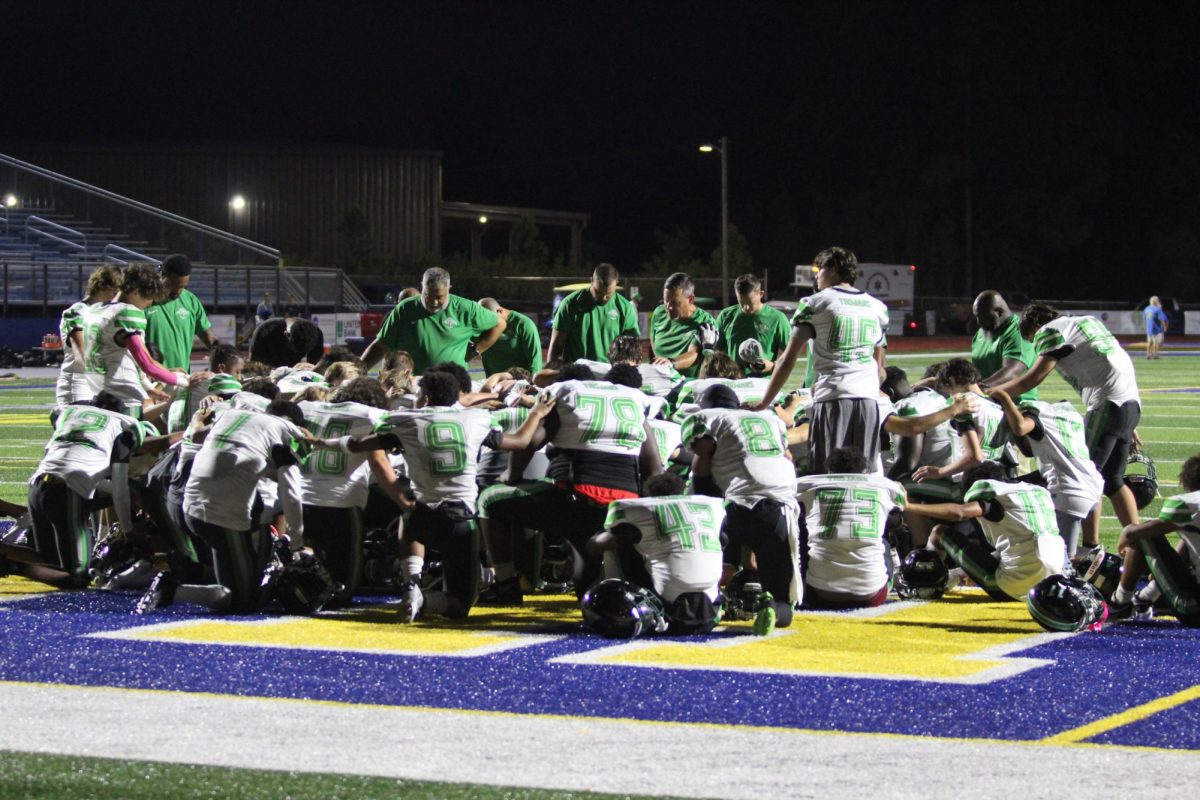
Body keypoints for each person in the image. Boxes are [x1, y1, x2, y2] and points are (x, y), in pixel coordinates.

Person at [334, 369, 556, 621]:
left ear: (426, 398)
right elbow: (520, 442)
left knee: (409, 509)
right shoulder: (475, 420)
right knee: (461, 604)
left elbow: (358, 445)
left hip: (422, 517)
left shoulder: (405, 419)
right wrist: (536, 412)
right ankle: (425, 601)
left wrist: (329, 443)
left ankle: (411, 580)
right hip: (461, 520)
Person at [478, 363, 662, 604]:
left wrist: (511, 475)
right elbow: (654, 465)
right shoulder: (633, 398)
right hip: (623, 502)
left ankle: (507, 584)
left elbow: (530, 443)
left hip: (577, 498)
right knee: (586, 581)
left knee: (491, 500)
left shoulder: (565, 393)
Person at [138, 399, 315, 615]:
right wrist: (297, 545)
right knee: (244, 601)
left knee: (243, 572)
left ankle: (195, 576)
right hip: (224, 514)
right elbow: (292, 494)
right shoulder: (287, 432)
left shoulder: (233, 415)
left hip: (189, 503)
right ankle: (173, 590)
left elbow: (198, 436)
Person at [992, 303, 1142, 529]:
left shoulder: (1050, 330)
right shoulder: (1087, 321)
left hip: (1108, 405)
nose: (1036, 345)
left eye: (1032, 339)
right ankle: (1136, 538)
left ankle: (1091, 546)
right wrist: (1126, 422)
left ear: (1035, 326)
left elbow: (1031, 379)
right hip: (1130, 405)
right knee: (1113, 480)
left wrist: (993, 393)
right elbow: (1110, 365)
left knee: (1085, 476)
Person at [750, 247, 889, 475]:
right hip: (868, 401)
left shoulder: (815, 303)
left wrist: (765, 402)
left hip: (833, 398)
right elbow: (879, 369)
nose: (816, 275)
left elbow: (787, 359)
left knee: (829, 473)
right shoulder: (877, 307)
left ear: (833, 270)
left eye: (819, 269)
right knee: (864, 473)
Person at [684, 383, 801, 632]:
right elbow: (786, 457)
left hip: (733, 507)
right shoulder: (770, 420)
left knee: (714, 554)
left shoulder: (707, 419)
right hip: (779, 508)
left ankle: (710, 605)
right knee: (783, 602)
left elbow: (700, 470)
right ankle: (772, 606)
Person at [585, 471, 726, 636]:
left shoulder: (640, 509)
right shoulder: (710, 504)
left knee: (616, 541)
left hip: (663, 610)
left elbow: (595, 546)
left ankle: (621, 608)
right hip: (710, 609)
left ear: (649, 494)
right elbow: (724, 540)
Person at [907, 461, 1068, 601]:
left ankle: (928, 583)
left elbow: (959, 512)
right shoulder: (1036, 492)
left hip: (1013, 588)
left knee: (939, 532)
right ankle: (954, 575)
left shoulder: (993, 498)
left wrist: (909, 507)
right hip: (1053, 582)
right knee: (1013, 549)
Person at [989, 388, 1103, 557]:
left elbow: (1021, 427)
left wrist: (1004, 398)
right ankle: (1092, 558)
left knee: (1062, 562)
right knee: (1087, 553)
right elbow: (1029, 451)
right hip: (1094, 487)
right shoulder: (1068, 418)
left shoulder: (1037, 416)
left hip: (1070, 493)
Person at [76, 263, 195, 415]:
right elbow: (147, 364)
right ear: (136, 291)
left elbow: (129, 358)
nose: (149, 303)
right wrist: (184, 381)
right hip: (123, 396)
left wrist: (149, 388)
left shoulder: (95, 309)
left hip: (97, 392)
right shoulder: (128, 313)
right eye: (149, 297)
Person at [797, 448, 907, 609]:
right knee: (883, 535)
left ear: (829, 470)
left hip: (819, 593)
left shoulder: (809, 483)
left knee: (802, 528)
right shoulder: (886, 486)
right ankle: (893, 570)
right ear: (864, 471)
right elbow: (903, 503)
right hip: (872, 595)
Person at [361, 267, 505, 374]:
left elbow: (499, 323)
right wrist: (358, 371)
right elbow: (381, 344)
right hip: (414, 386)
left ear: (449, 289)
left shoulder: (465, 309)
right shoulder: (405, 309)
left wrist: (477, 349)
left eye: (439, 297)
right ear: (422, 287)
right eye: (429, 296)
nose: (434, 302)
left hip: (452, 385)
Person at [1115, 454, 1200, 624]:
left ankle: (1119, 603)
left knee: (1144, 534)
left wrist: (1127, 531)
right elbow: (1187, 541)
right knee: (1188, 533)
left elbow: (1134, 534)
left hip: (1195, 609)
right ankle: (1145, 598)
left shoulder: (1189, 503)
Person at [547, 263, 639, 365]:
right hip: (576, 375)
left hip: (609, 375)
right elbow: (556, 345)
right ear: (591, 281)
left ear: (616, 283)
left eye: (608, 295)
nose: (603, 298)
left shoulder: (625, 308)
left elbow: (632, 349)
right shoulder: (570, 304)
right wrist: (551, 372)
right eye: (598, 292)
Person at [56, 264, 122, 408]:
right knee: (81, 429)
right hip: (80, 384)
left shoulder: (106, 312)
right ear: (107, 287)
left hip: (99, 382)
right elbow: (81, 356)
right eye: (117, 290)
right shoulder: (77, 312)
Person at [144, 254, 220, 372]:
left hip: (182, 380)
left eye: (183, 287)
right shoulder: (144, 300)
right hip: (150, 380)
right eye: (173, 286)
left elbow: (210, 338)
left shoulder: (191, 301)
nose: (178, 291)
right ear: (161, 275)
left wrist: (224, 355)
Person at [715, 273, 790, 377]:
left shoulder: (777, 318)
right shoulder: (725, 316)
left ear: (761, 294)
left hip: (762, 386)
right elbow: (716, 352)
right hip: (732, 383)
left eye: (750, 303)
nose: (746, 308)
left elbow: (791, 355)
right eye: (741, 303)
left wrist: (772, 365)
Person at [649, 272, 718, 380]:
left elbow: (694, 353)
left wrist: (671, 363)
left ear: (690, 299)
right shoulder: (659, 313)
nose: (669, 307)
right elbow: (654, 344)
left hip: (688, 387)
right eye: (666, 301)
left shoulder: (704, 322)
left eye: (675, 303)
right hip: (660, 383)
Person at [970, 290, 1037, 400]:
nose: (978, 321)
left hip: (1019, 406)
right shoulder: (981, 333)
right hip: (989, 402)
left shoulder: (1019, 332)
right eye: (976, 316)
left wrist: (976, 388)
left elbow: (1011, 372)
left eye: (982, 316)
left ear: (999, 312)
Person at [478, 297, 544, 375]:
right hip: (494, 383)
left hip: (519, 384)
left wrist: (531, 384)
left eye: (491, 320)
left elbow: (535, 361)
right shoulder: (481, 325)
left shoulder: (523, 324)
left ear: (500, 311)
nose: (487, 325)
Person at [248, 316, 325, 368]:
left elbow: (316, 367)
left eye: (304, 352)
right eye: (296, 350)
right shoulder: (265, 331)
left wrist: (310, 368)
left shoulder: (316, 334)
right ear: (286, 335)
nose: (300, 354)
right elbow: (254, 366)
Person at [1143, 295, 1169, 360]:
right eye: (1157, 300)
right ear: (1155, 301)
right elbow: (1161, 319)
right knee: (1156, 342)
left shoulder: (1146, 308)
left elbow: (1145, 318)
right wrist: (1165, 327)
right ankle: (1155, 354)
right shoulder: (1157, 309)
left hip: (1149, 327)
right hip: (1156, 328)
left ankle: (1148, 354)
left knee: (1149, 342)